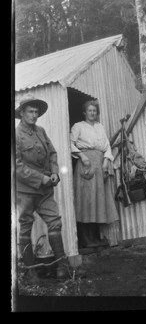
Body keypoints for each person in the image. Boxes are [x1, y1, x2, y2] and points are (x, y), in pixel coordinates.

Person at [15, 96, 82, 283]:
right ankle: (31, 271)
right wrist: (40, 178)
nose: (34, 115)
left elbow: (52, 153)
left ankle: (62, 267)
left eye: (36, 112)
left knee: (54, 222)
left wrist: (54, 173)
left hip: (45, 190)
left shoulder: (41, 131)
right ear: (22, 113)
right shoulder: (16, 134)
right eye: (30, 111)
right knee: (25, 228)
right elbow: (16, 166)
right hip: (25, 191)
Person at [70, 100, 119, 248]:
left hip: (99, 164)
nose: (92, 113)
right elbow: (69, 143)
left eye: (94, 111)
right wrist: (82, 156)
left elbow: (107, 147)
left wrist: (105, 162)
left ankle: (95, 237)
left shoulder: (100, 127)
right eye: (89, 110)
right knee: (86, 201)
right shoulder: (78, 126)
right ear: (84, 112)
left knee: (98, 201)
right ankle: (85, 238)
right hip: (86, 164)